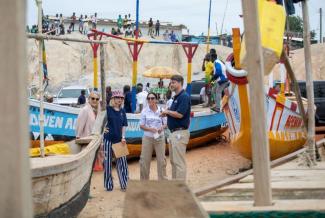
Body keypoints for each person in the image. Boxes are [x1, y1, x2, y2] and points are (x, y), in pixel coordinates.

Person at [161, 75, 190, 180]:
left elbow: (180, 114)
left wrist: (167, 111)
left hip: (180, 133)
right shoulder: (176, 97)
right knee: (174, 162)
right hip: (174, 133)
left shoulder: (184, 96)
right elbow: (175, 113)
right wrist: (166, 114)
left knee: (179, 163)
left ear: (179, 83)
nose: (171, 84)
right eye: (171, 82)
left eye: (173, 82)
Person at [103, 90, 128, 191]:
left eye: (121, 98)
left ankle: (124, 184)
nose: (120, 100)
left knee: (123, 163)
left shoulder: (123, 111)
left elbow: (124, 125)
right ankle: (108, 185)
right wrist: (102, 130)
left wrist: (123, 137)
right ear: (113, 99)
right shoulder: (107, 109)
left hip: (119, 140)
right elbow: (99, 118)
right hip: (108, 139)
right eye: (117, 98)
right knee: (107, 162)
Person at [139, 92, 167, 180]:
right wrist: (151, 129)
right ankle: (144, 182)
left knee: (162, 160)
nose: (150, 100)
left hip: (160, 137)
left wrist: (161, 128)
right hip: (147, 138)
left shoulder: (162, 110)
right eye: (149, 98)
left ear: (156, 99)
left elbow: (166, 124)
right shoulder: (144, 111)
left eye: (152, 98)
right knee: (144, 161)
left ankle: (162, 182)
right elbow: (141, 125)